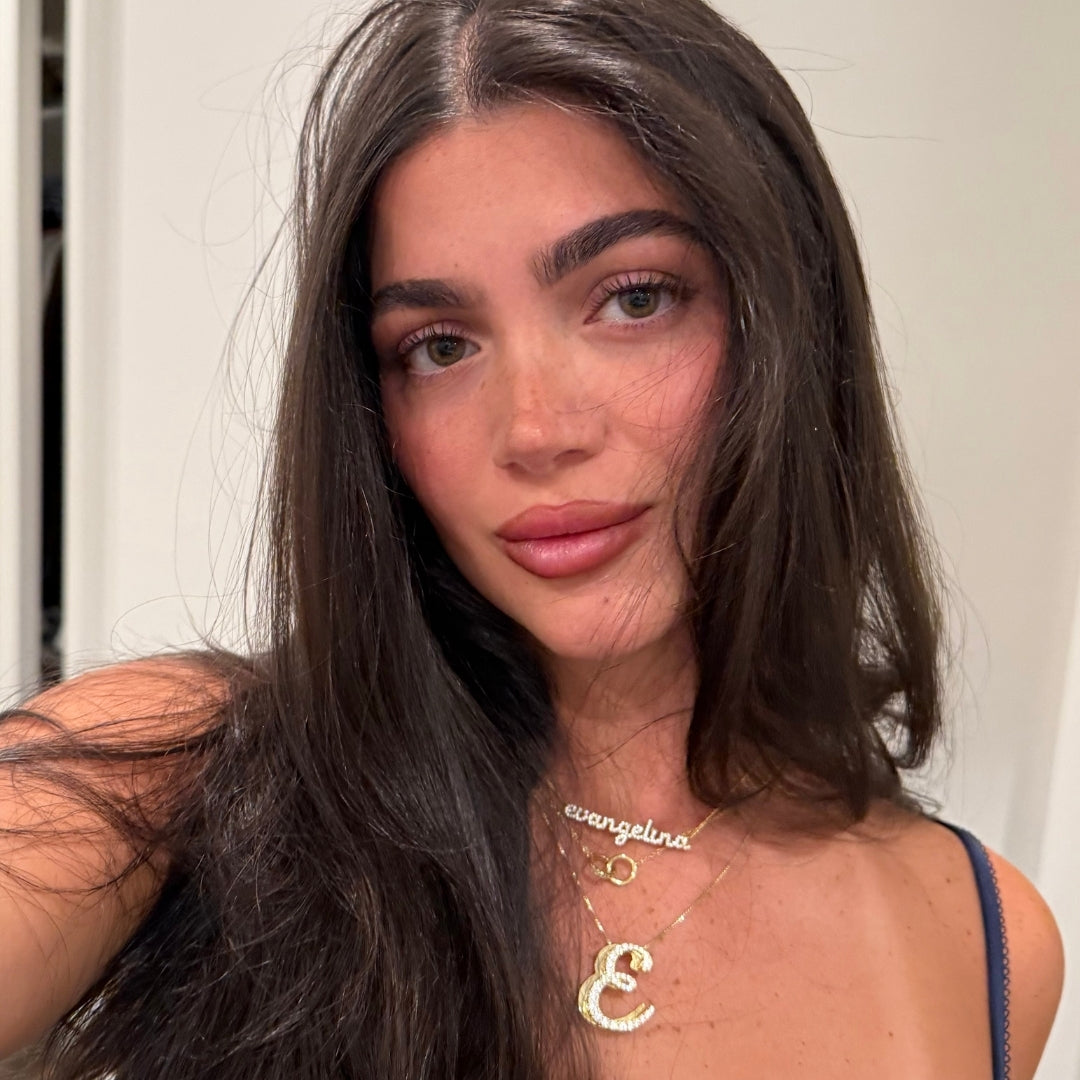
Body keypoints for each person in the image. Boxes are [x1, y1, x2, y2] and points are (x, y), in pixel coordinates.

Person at [0, 0, 1064, 1077]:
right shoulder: (179, 775)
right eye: (439, 346)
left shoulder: (990, 945)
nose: (538, 430)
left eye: (634, 299)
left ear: (785, 317)